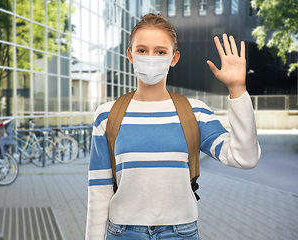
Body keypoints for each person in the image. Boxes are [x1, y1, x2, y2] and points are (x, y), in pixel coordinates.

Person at [86, 13, 261, 240]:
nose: (151, 57)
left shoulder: (195, 112)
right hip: (122, 233)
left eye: (160, 51)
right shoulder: (107, 115)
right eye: (141, 50)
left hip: (181, 233)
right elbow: (99, 191)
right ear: (130, 55)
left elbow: (245, 158)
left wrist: (237, 88)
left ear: (174, 58)